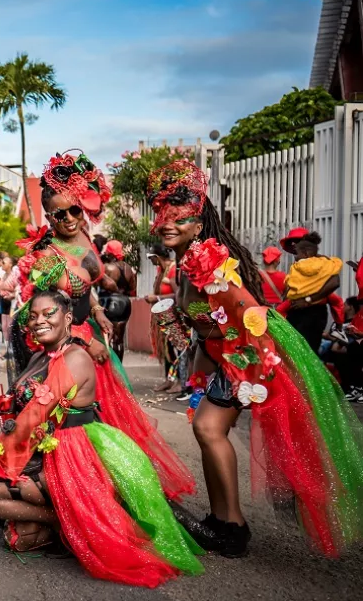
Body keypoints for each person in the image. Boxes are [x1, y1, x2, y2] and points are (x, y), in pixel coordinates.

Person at [147, 159, 363, 558]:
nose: (169, 224)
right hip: (228, 356)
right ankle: (221, 519)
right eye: (164, 216)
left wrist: (252, 368)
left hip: (246, 355)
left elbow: (248, 312)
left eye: (181, 218)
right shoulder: (188, 261)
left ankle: (232, 526)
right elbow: (213, 317)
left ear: (199, 224)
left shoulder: (206, 259)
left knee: (210, 429)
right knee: (207, 429)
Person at [0, 290, 204, 587]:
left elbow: (33, 417)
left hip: (73, 454)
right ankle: (55, 522)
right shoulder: (42, 355)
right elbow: (23, 418)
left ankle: (61, 522)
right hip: (41, 450)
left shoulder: (76, 357)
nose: (39, 321)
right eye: (34, 316)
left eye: (49, 313)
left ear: (68, 318)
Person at [17, 151, 195, 503]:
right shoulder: (47, 254)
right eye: (59, 213)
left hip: (89, 333)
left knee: (110, 424)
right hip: (66, 346)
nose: (69, 218)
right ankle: (80, 496)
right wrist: (84, 339)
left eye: (75, 210)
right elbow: (47, 313)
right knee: (76, 423)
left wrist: (97, 310)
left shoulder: (83, 238)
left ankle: (118, 492)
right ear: (49, 216)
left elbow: (85, 288)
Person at [280, 228, 341, 351]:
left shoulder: (322, 261)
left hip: (311, 314)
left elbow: (335, 282)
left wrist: (308, 300)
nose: (293, 245)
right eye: (291, 242)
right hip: (296, 313)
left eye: (296, 241)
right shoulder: (300, 263)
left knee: (306, 353)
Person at [144, 245, 181, 393]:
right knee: (167, 350)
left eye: (152, 258)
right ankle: (169, 379)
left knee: (176, 348)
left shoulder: (173, 269)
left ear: (157, 257)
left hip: (173, 315)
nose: (152, 261)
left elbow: (178, 294)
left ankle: (179, 381)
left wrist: (157, 297)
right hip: (163, 315)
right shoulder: (161, 270)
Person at [99, 239, 136, 360]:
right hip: (125, 303)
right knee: (119, 339)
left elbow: (96, 285)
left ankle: (111, 367)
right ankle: (120, 366)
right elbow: (132, 288)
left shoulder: (106, 268)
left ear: (109, 252)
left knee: (107, 336)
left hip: (109, 302)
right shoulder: (128, 268)